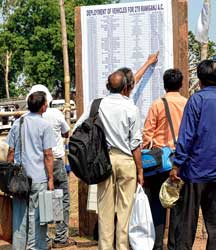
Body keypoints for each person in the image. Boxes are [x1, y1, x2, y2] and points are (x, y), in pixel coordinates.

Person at [168, 60, 216, 250]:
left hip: (195, 172)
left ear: (200, 80)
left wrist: (177, 165)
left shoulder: (196, 100)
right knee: (215, 227)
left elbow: (186, 135)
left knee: (186, 224)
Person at [77, 69, 144, 249]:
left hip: (103, 160)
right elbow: (135, 143)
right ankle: (123, 246)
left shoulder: (97, 104)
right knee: (125, 210)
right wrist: (140, 170)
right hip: (126, 161)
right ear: (126, 87)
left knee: (105, 210)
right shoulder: (131, 107)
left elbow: (79, 127)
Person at [142, 69, 187, 250]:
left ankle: (157, 244)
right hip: (180, 159)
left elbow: (147, 134)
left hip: (159, 162)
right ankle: (174, 245)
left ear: (164, 84)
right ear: (181, 84)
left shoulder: (157, 105)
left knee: (157, 204)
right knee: (177, 204)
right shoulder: (187, 103)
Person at [6, 91, 55, 249]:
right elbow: (48, 154)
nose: (46, 105)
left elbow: (11, 153)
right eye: (46, 102)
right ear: (42, 107)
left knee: (19, 218)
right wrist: (51, 179)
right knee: (37, 218)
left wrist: (9, 176)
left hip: (19, 179)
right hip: (39, 178)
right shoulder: (45, 125)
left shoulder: (17, 123)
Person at [27, 84, 74, 248]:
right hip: (56, 161)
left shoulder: (26, 119)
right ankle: (61, 238)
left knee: (40, 201)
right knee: (63, 199)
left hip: (37, 165)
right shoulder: (55, 114)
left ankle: (44, 239)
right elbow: (67, 132)